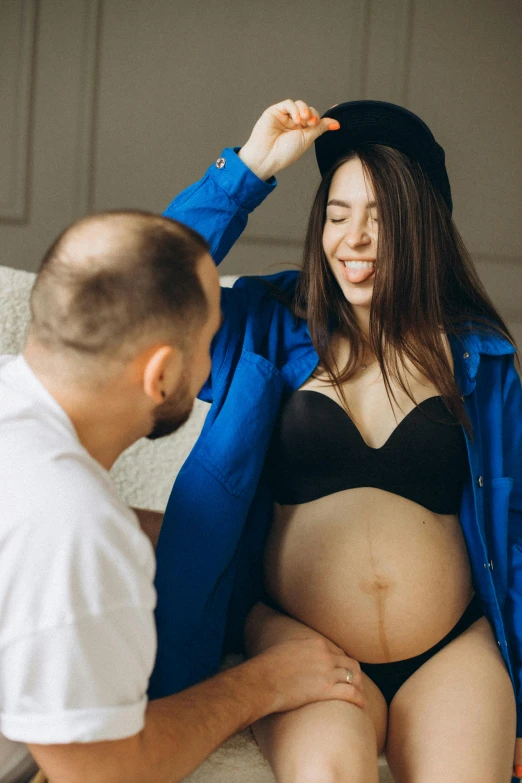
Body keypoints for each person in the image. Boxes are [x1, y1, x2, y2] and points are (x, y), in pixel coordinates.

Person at [151, 99, 522, 782]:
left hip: (451, 646)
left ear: (424, 230)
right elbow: (146, 282)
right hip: (300, 636)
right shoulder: (264, 326)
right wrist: (250, 168)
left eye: (380, 219)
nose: (354, 238)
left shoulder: (479, 358)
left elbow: (517, 526)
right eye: (338, 214)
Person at [0, 209, 366, 783]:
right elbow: (105, 774)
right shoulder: (73, 522)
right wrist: (264, 680)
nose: (212, 364)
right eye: (210, 342)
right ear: (163, 375)